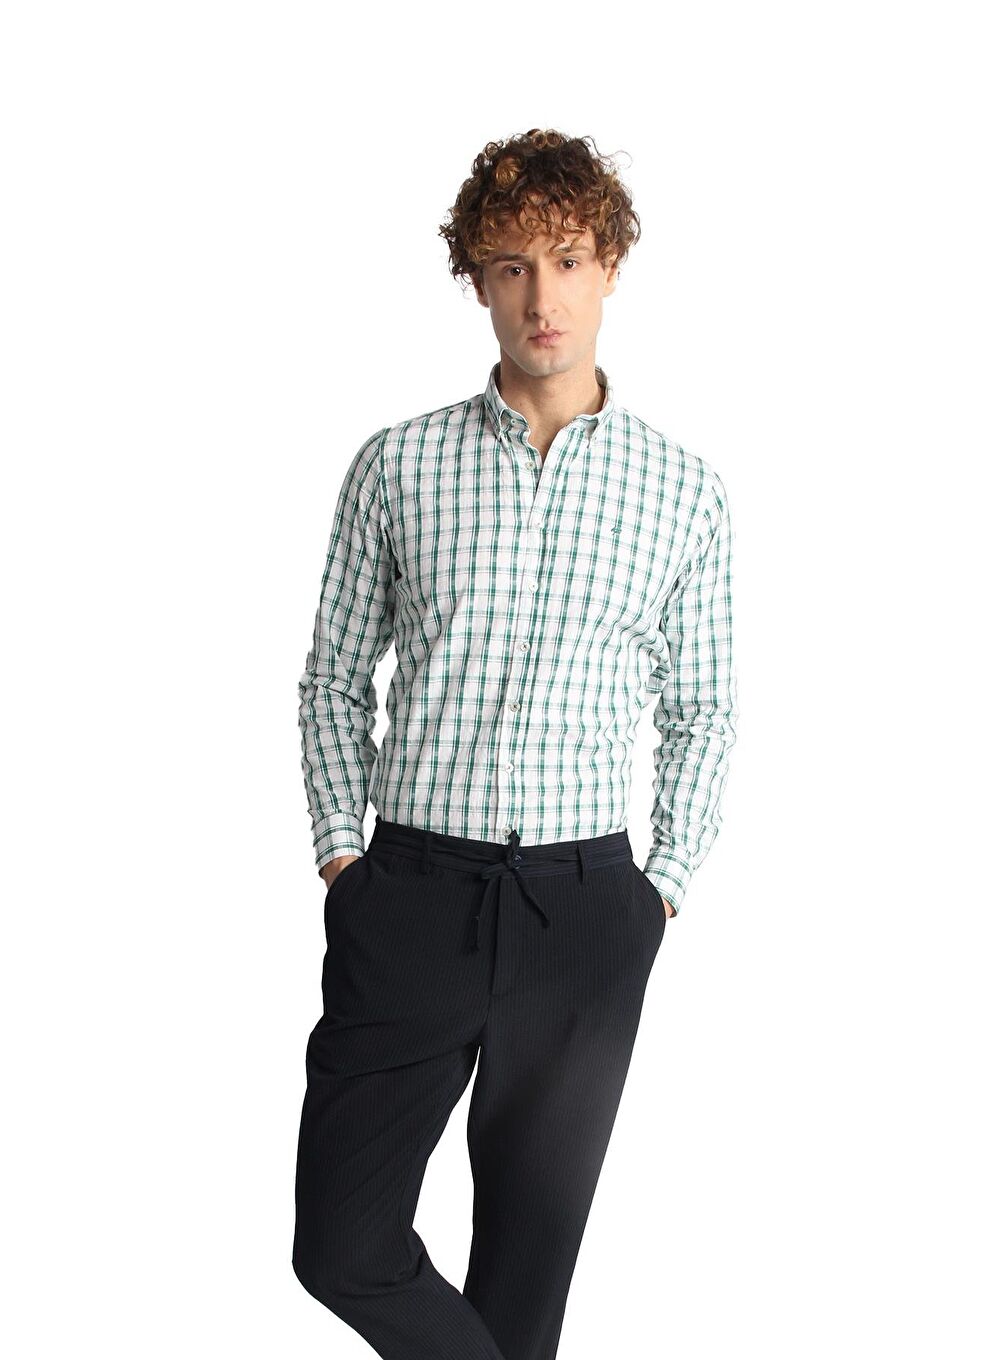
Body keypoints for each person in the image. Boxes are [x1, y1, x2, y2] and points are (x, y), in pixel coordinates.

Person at [290, 127, 739, 1360]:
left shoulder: (683, 491)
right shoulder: (397, 466)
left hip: (586, 911)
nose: (543, 295)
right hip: (411, 894)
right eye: (511, 266)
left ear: (610, 269)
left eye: (569, 260)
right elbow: (333, 679)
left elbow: (703, 711)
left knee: (524, 1289)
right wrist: (343, 859)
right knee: (341, 1244)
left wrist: (657, 890)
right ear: (478, 282)